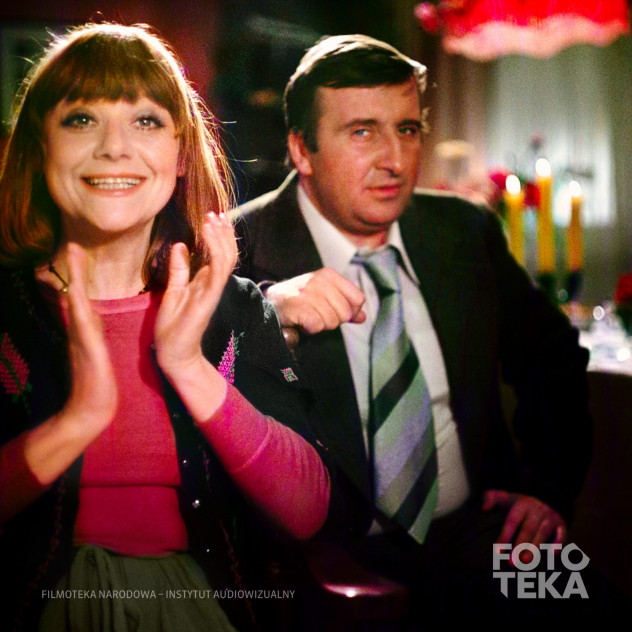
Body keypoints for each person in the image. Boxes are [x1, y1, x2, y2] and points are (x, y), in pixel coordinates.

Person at [233, 34, 602, 620]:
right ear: (302, 149)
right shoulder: (235, 250)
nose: (396, 160)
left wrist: (546, 490)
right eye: (362, 132)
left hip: (483, 535)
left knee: (593, 608)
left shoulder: (463, 230)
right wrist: (264, 317)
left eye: (407, 129)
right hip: (324, 560)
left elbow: (553, 356)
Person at [0, 23, 332, 632]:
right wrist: (79, 419)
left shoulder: (231, 309)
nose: (114, 148)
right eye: (82, 119)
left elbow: (309, 511)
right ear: (40, 146)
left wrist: (187, 366)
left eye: (146, 121)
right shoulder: (5, 311)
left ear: (181, 156)